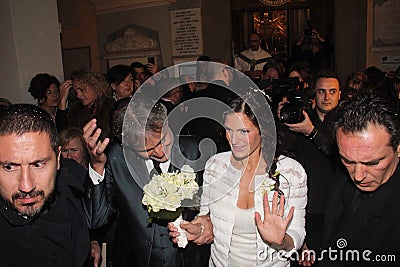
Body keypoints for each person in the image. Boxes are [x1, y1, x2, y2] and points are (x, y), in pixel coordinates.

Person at [169, 95, 307, 266]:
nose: (234, 140)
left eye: (244, 131)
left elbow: (297, 234)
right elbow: (206, 216)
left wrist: (282, 241)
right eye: (229, 130)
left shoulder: (291, 172)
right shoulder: (215, 165)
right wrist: (200, 229)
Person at [82, 95, 211, 267]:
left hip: (190, 260)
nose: (160, 152)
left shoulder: (196, 151)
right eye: (148, 149)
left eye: (164, 139)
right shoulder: (116, 158)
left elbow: (218, 208)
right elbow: (96, 220)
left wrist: (205, 224)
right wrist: (97, 165)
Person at [0, 104, 92, 266]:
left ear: (57, 160)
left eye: (38, 164)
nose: (26, 186)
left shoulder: (70, 190)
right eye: (10, 167)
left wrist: (92, 240)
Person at [320, 94, 400, 266]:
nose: (358, 175)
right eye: (348, 161)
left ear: (398, 149)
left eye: (372, 163)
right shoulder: (342, 176)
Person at [277, 70, 341, 265]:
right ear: (315, 93)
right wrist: (282, 120)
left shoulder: (345, 120)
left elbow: (337, 152)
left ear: (340, 94)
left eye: (332, 91)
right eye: (322, 91)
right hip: (306, 205)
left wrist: (311, 132)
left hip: (336, 206)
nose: (327, 96)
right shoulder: (303, 117)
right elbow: (282, 150)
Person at [58, 68, 115, 140]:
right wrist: (62, 101)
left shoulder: (110, 106)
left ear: (95, 86)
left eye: (82, 89)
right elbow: (64, 134)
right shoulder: (76, 109)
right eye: (76, 91)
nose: (78, 95)